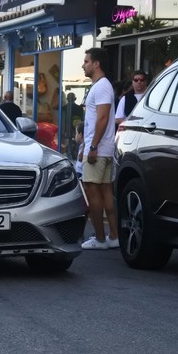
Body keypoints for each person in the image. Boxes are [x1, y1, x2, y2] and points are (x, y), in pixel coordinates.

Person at [80, 47, 119, 250]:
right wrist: (86, 145)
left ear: (96, 64)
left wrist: (93, 146)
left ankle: (101, 238)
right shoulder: (101, 86)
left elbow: (103, 118)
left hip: (99, 148)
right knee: (105, 191)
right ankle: (113, 236)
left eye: (86, 61)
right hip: (101, 148)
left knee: (92, 191)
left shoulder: (102, 86)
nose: (83, 65)